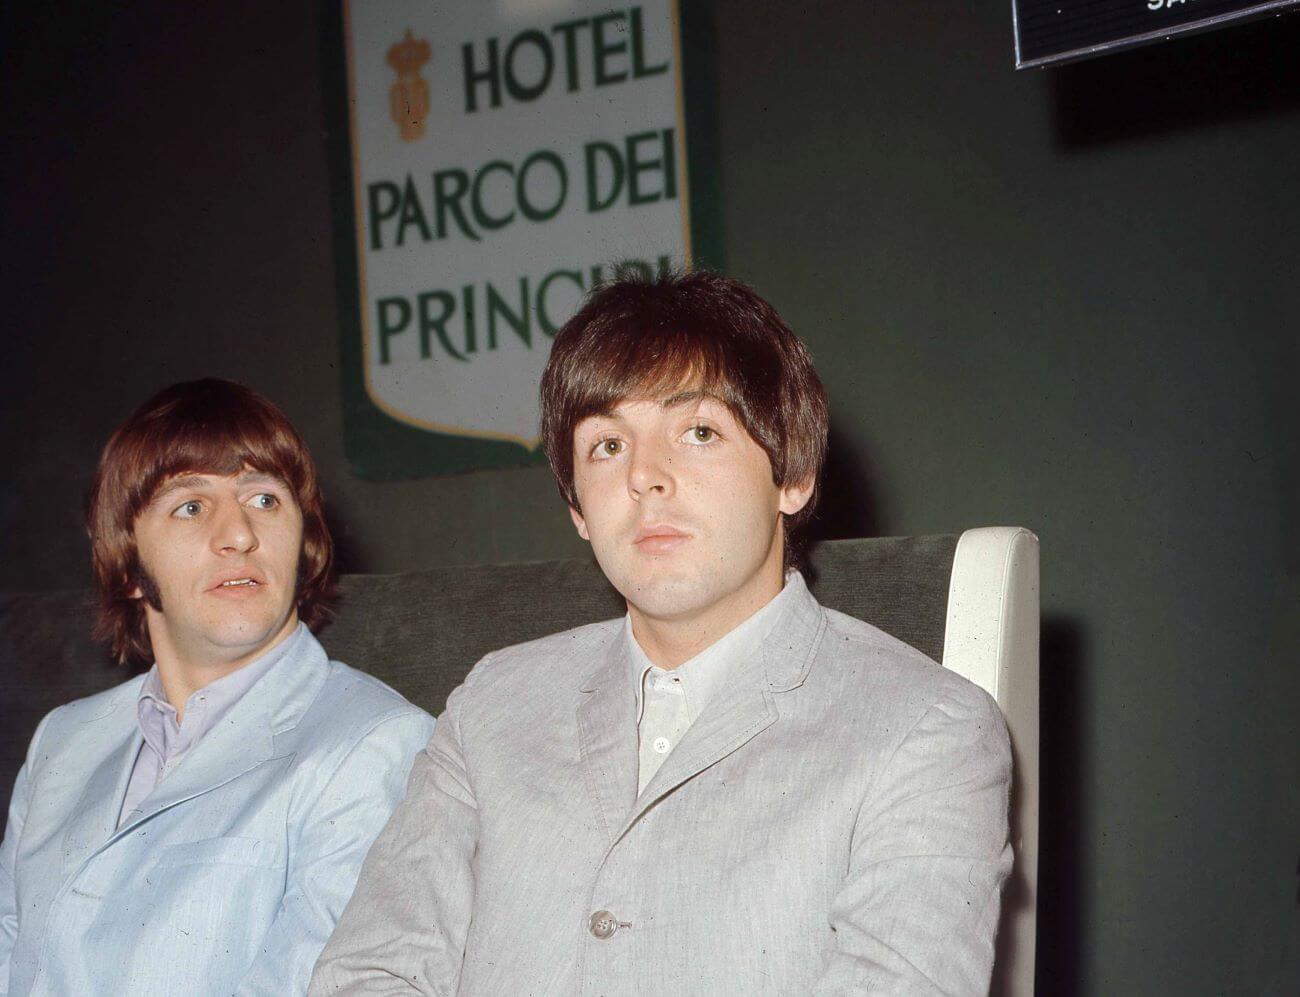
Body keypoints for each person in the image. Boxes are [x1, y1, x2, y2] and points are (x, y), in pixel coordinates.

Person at [311, 272, 1012, 995]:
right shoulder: (491, 702)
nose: (645, 475)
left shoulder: (926, 729)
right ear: (579, 508)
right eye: (607, 446)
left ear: (792, 475)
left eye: (698, 431)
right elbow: (371, 972)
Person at [0, 379, 434, 996]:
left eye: (264, 500)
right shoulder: (60, 743)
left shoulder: (378, 743)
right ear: (128, 564)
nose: (239, 535)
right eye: (191, 506)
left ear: (303, 544)